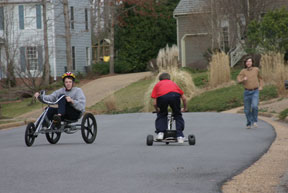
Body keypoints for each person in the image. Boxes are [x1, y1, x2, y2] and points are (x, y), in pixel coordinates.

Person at [151, 72, 187, 143]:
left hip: (162, 97)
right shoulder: (174, 84)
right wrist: (185, 108)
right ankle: (180, 136)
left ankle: (160, 133)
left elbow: (154, 103)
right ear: (169, 79)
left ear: (160, 80)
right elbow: (184, 98)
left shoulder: (158, 85)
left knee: (162, 114)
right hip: (175, 95)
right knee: (177, 115)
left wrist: (157, 110)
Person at [237, 57, 263, 129]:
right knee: (247, 110)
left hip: (255, 91)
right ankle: (249, 123)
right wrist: (243, 79)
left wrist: (261, 86)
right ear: (245, 63)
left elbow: (260, 78)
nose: (248, 63)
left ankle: (254, 121)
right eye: (247, 61)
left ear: (252, 62)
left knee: (254, 106)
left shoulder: (256, 69)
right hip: (247, 92)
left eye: (250, 61)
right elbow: (238, 80)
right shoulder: (243, 71)